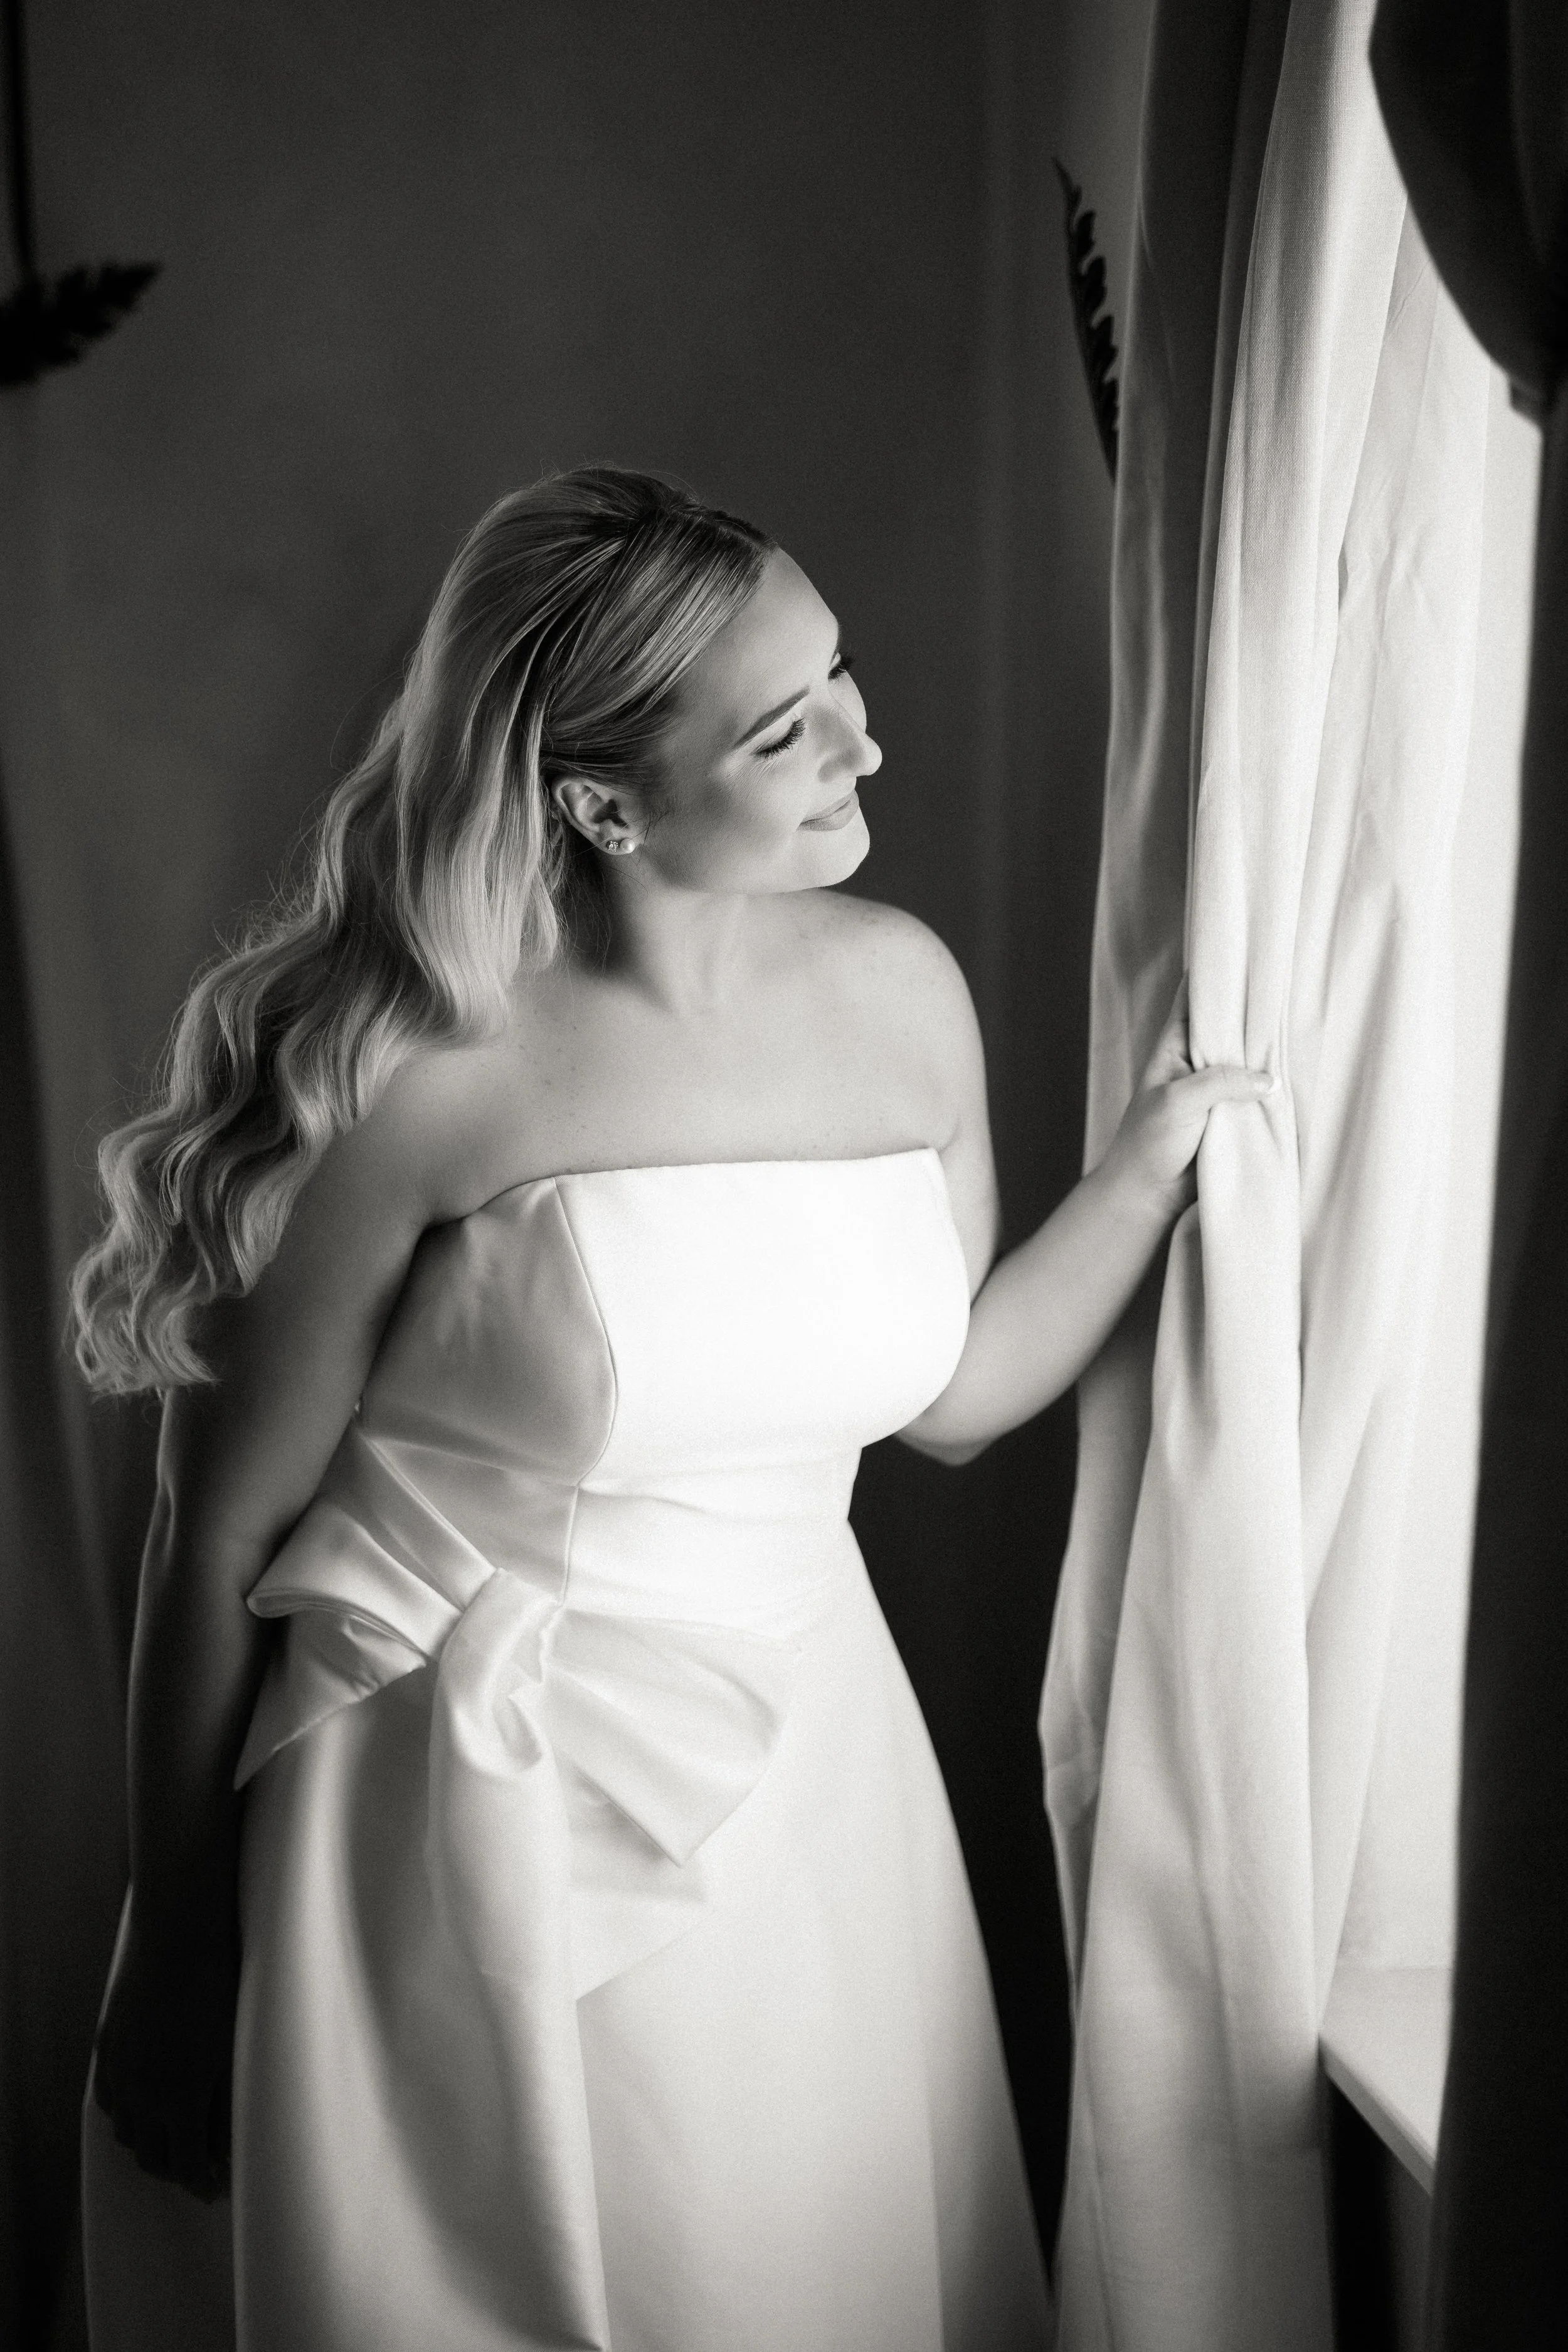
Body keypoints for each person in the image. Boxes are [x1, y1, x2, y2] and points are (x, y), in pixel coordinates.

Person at [72, 464, 1269, 2352]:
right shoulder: (415, 1072)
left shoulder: (902, 993)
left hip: (820, 1778)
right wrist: (179, 1939)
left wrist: (1155, 1166)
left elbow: (945, 1399)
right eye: (789, 727)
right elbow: (212, 1532)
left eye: (842, 676)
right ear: (600, 802)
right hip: (475, 1812)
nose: (866, 742)